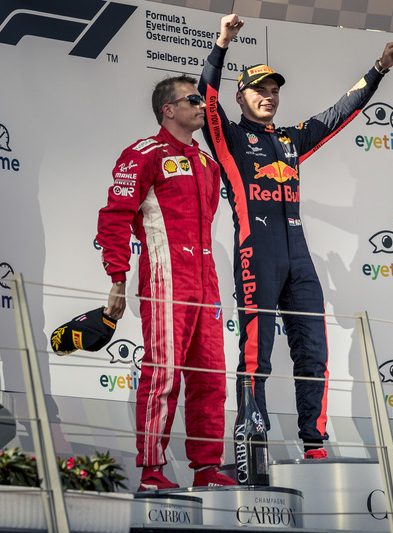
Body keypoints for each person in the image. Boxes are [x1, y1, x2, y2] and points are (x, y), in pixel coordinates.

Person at [199, 13, 393, 458]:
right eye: (260, 90)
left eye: (274, 92)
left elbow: (338, 114)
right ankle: (251, 444)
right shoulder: (229, 138)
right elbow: (206, 97)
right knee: (257, 354)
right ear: (242, 96)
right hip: (257, 253)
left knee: (313, 354)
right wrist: (222, 43)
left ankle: (314, 445)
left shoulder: (291, 141)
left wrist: (379, 69)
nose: (269, 97)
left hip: (299, 259)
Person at [97, 75, 234, 490]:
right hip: (165, 277)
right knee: (163, 374)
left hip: (206, 281)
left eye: (201, 98)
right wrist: (118, 279)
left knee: (210, 378)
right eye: (191, 99)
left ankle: (207, 468)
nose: (200, 104)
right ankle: (152, 469)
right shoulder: (143, 154)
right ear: (167, 109)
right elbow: (115, 218)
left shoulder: (208, 163)